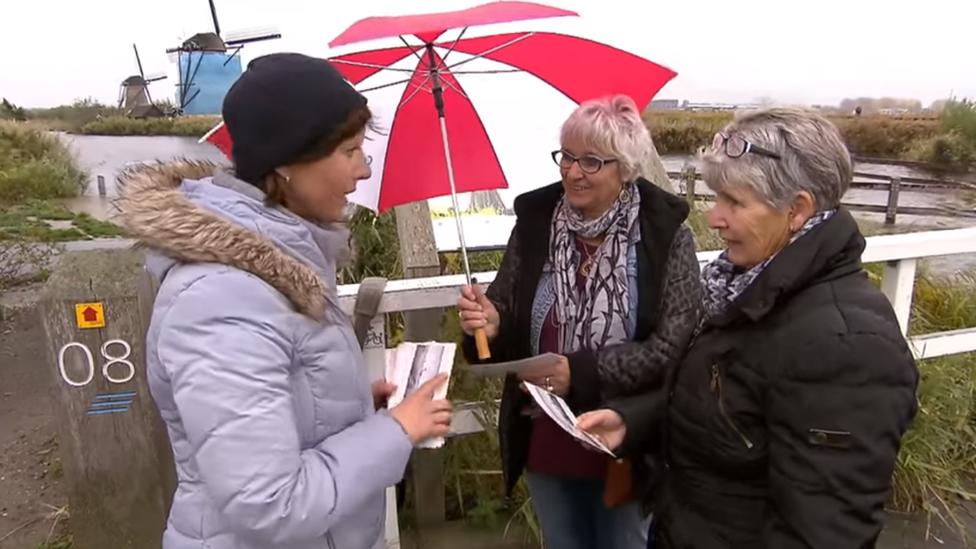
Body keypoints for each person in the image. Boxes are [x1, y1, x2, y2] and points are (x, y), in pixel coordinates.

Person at [117, 53, 453, 549]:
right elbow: (270, 503)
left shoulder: (277, 263)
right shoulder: (219, 298)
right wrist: (395, 432)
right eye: (349, 151)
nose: (363, 171)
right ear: (287, 162)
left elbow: (277, 408)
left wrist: (359, 407)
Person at [578, 106, 920, 548]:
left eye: (734, 202)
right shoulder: (743, 288)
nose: (714, 218)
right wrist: (637, 421)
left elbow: (822, 533)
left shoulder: (843, 345)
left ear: (797, 210)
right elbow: (734, 411)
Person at [457, 94, 702, 549]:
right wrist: (489, 323)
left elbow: (674, 347)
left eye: (591, 161)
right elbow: (507, 311)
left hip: (625, 437)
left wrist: (583, 372)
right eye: (566, 157)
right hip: (547, 433)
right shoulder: (536, 225)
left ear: (625, 168)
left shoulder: (664, 235)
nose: (572, 172)